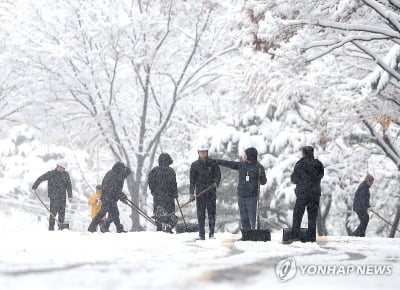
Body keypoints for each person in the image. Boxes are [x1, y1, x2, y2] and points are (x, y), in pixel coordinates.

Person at [216, 147, 267, 230]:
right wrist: (217, 161)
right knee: (244, 217)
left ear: (250, 156)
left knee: (253, 217)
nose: (244, 156)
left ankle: (254, 233)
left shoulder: (259, 167)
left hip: (252, 197)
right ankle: (246, 234)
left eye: (245, 154)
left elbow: (263, 182)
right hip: (241, 196)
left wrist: (261, 175)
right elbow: (229, 164)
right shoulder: (242, 165)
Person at [290, 146, 324, 242]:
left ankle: (295, 235)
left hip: (302, 194)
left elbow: (294, 179)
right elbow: (321, 176)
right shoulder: (318, 164)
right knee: (312, 217)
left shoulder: (300, 164)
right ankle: (311, 237)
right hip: (315, 194)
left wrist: (303, 180)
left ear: (303, 153)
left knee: (297, 215)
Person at [88, 162, 131, 233]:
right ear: (120, 169)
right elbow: (115, 189)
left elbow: (115, 189)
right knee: (103, 213)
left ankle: (117, 228)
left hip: (109, 197)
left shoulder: (113, 173)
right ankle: (92, 227)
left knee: (114, 214)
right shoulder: (115, 176)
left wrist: (122, 196)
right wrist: (122, 197)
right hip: (108, 197)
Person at [189, 145, 221, 240]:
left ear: (207, 152)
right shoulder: (194, 165)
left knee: (211, 213)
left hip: (211, 193)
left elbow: (218, 175)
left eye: (204, 151)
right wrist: (191, 193)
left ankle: (211, 234)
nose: (203, 153)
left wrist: (216, 182)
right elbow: (192, 181)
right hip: (200, 194)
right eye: (201, 151)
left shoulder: (213, 163)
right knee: (200, 214)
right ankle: (201, 234)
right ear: (198, 152)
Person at [32, 159, 72, 231]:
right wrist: (34, 187)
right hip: (54, 198)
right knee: (53, 214)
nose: (63, 169)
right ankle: (51, 229)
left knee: (62, 214)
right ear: (58, 166)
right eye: (62, 168)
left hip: (63, 197)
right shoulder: (51, 173)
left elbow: (69, 185)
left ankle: (61, 229)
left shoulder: (66, 175)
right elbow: (40, 178)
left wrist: (70, 195)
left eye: (64, 168)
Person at [148, 153, 178, 232]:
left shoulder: (154, 170)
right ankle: (168, 227)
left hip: (158, 196)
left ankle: (159, 227)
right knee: (170, 212)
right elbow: (174, 184)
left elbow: (150, 182)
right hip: (169, 196)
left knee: (159, 212)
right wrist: (175, 193)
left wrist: (153, 191)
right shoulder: (171, 171)